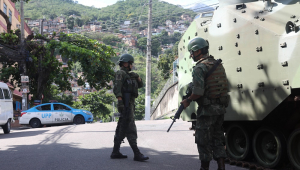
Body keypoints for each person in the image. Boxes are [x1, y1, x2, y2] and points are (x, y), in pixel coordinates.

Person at [181, 37, 229, 170]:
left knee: (203, 141)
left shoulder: (199, 68)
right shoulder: (217, 64)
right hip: (220, 109)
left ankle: (204, 168)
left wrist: (188, 100)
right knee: (218, 139)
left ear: (199, 51)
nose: (191, 55)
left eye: (192, 52)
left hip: (207, 110)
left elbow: (198, 92)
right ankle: (221, 167)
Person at [110, 53, 149, 162]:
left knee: (122, 127)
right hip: (125, 103)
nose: (132, 65)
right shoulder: (120, 73)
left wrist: (137, 77)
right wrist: (120, 102)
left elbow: (140, 85)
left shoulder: (131, 75)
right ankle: (137, 153)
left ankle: (115, 151)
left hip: (130, 103)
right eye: (131, 63)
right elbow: (117, 88)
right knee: (130, 127)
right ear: (126, 63)